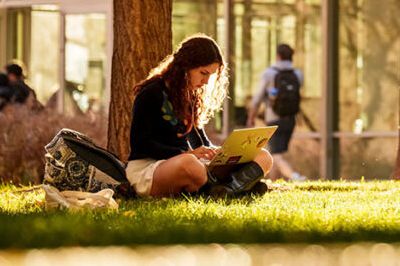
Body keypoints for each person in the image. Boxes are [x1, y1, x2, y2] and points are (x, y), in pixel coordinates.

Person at [127, 34, 273, 198]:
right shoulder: (150, 93)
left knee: (263, 156)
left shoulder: (189, 94)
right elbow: (140, 144)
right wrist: (184, 154)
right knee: (190, 165)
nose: (205, 81)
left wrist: (214, 152)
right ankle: (240, 189)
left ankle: (227, 191)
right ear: (185, 65)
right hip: (150, 168)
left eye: (210, 75)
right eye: (203, 73)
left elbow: (199, 141)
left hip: (187, 163)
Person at [247, 43, 305, 181]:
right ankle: (273, 185)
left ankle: (294, 176)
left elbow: (257, 99)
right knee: (276, 155)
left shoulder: (269, 74)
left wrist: (251, 118)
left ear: (277, 56)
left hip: (274, 120)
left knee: (276, 155)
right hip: (290, 120)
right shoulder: (298, 74)